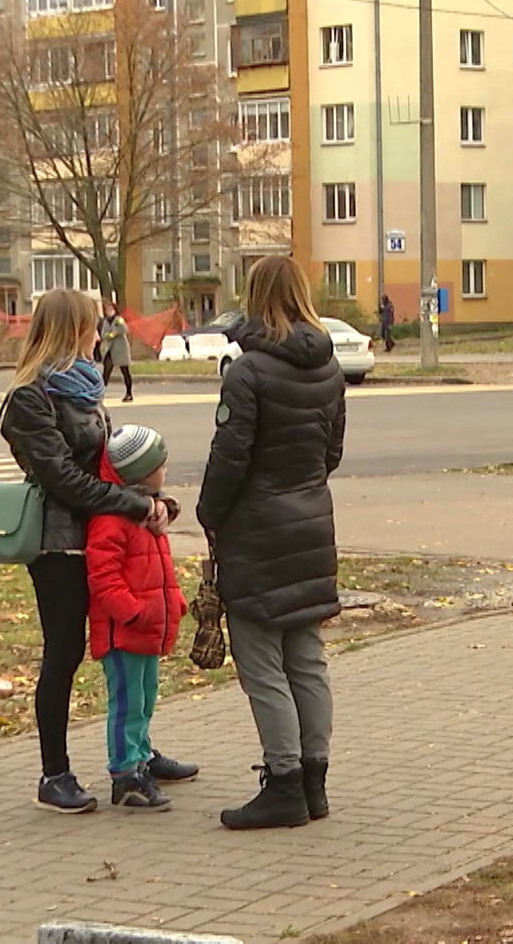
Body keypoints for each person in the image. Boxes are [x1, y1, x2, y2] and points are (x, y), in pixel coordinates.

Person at [1, 289, 194, 814]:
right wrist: (132, 506)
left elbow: (111, 465)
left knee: (133, 651)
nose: (99, 333)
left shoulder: (86, 388)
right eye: (91, 325)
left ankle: (137, 754)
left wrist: (151, 502)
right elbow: (62, 478)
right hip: (60, 546)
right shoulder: (28, 398)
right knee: (62, 654)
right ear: (69, 329)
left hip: (107, 537)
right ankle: (54, 774)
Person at [198, 255, 346, 831]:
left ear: (255, 297)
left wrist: (211, 516)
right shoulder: (329, 368)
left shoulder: (248, 371)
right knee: (306, 656)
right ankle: (314, 781)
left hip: (257, 527)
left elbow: (228, 458)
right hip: (311, 519)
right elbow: (331, 452)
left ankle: (282, 782)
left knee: (260, 660)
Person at [87, 424, 188, 811]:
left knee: (145, 698)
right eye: (161, 466)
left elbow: (159, 569)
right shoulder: (112, 519)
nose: (165, 472)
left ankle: (142, 756)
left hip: (148, 627)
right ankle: (125, 772)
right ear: (143, 472)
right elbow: (103, 577)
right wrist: (132, 612)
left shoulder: (148, 513)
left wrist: (172, 602)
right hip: (126, 631)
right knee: (127, 702)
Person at [99, 303, 134, 403]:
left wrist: (119, 326)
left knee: (125, 371)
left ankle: (129, 393)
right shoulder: (106, 322)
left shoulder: (119, 320)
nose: (109, 312)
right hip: (110, 349)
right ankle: (100, 393)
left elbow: (124, 330)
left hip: (121, 349)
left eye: (111, 309)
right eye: (107, 310)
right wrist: (111, 334)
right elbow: (103, 335)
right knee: (106, 371)